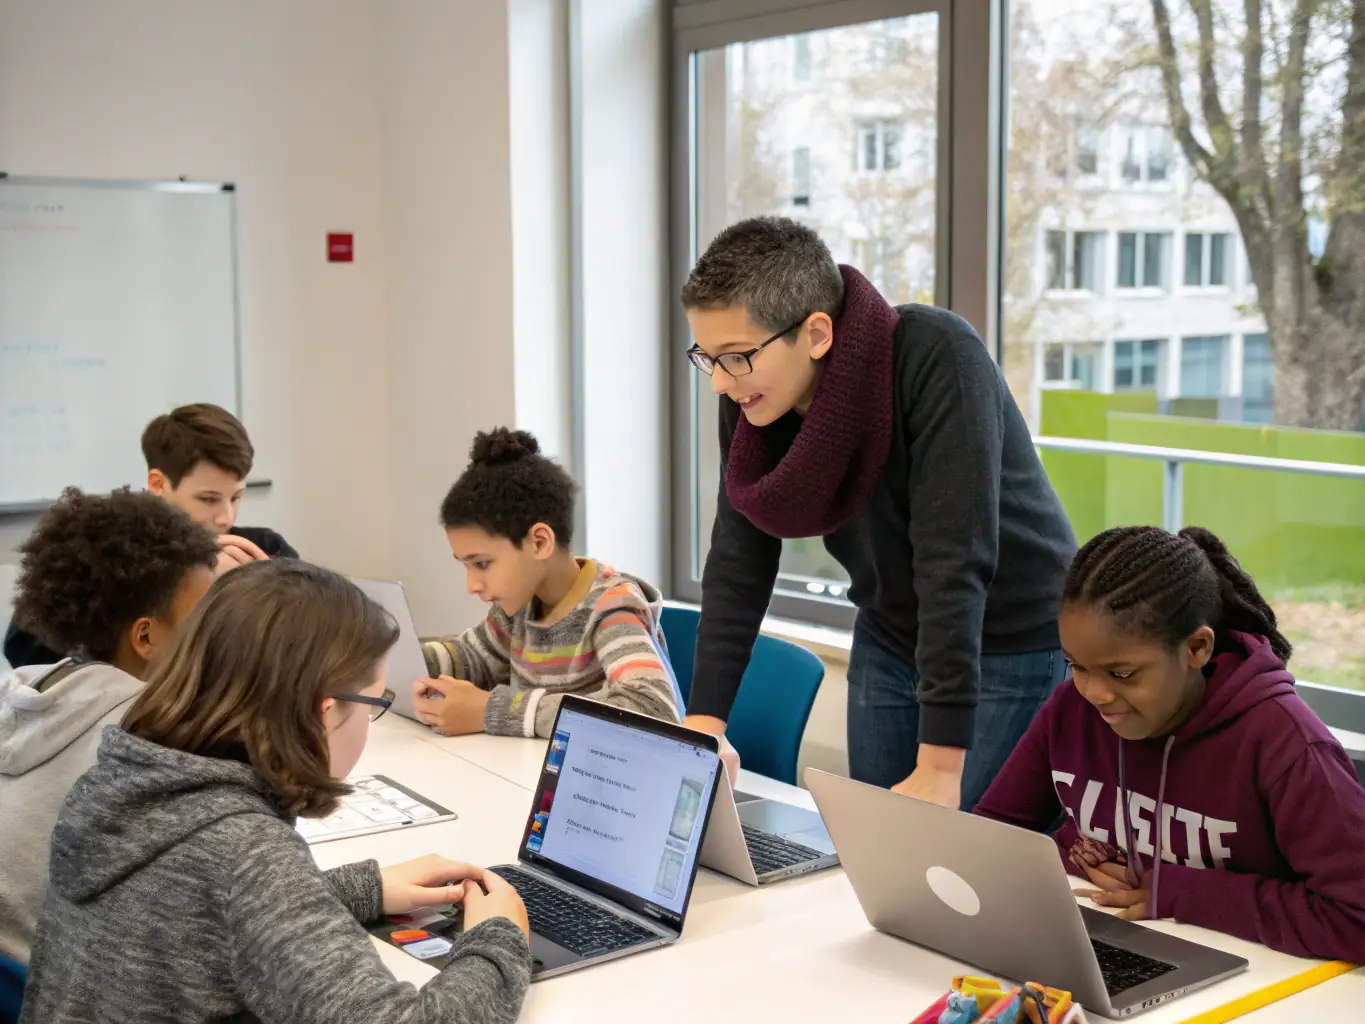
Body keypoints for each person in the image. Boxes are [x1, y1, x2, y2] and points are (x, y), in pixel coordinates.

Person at [18, 560, 532, 1023]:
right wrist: (496, 938)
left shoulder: (120, 783)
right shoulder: (243, 852)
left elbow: (201, 920)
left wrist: (358, 890)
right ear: (322, 712)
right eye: (374, 704)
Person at [680, 216, 1076, 810]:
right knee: (875, 859)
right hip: (891, 634)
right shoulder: (753, 396)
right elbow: (739, 556)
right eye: (707, 359)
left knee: (962, 869)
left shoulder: (935, 354)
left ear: (815, 333)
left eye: (734, 357)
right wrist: (704, 723)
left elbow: (953, 560)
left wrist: (942, 763)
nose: (719, 382)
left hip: (1011, 640)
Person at [975, 525, 1365, 962]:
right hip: (1093, 941)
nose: (1094, 692)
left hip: (1244, 971)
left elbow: (1357, 918)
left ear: (1196, 648)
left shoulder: (1286, 744)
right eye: (1076, 665)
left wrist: (1179, 891)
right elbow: (993, 836)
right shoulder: (1070, 709)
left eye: (1122, 674)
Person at [0, 488, 219, 965]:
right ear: (146, 636)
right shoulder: (147, 737)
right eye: (203, 620)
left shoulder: (28, 687)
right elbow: (229, 904)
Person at [413, 428, 681, 738]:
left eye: (482, 564)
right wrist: (392, 659)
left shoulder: (610, 610)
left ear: (539, 542)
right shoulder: (518, 607)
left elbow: (652, 709)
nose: (471, 585)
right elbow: (473, 658)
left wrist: (493, 711)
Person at [3, 402, 298, 668]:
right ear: (158, 484)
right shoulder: (102, 553)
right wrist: (190, 577)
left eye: (236, 497)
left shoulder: (264, 549)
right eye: (208, 499)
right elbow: (25, 652)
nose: (226, 517)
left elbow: (310, 645)